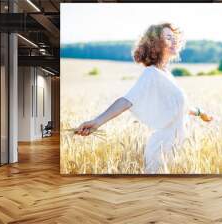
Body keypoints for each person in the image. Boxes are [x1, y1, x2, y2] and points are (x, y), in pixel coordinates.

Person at [75, 22, 213, 173]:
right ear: (156, 44)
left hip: (176, 149)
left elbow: (180, 108)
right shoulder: (151, 73)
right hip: (161, 151)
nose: (174, 41)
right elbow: (127, 100)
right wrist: (96, 122)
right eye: (168, 38)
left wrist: (201, 113)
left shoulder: (165, 74)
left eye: (174, 37)